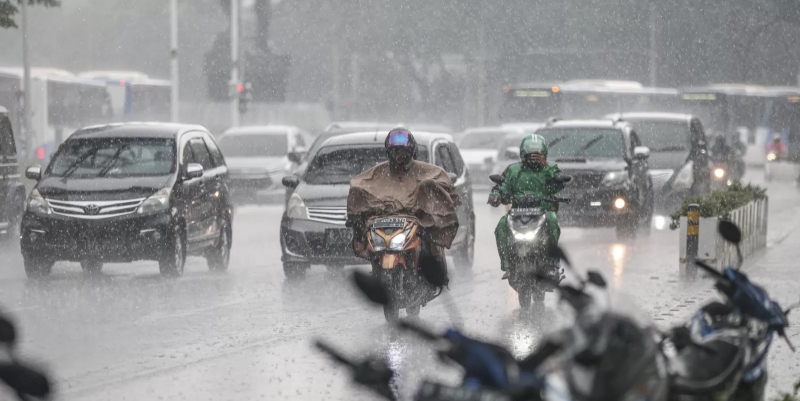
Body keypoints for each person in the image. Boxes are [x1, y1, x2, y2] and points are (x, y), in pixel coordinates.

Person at [347, 128, 460, 286]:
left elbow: (444, 186)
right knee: (366, 237)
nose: (399, 154)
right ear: (389, 152)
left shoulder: (427, 171)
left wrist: (427, 207)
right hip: (383, 223)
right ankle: (377, 269)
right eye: (395, 150)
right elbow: (359, 185)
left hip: (417, 223)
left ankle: (430, 276)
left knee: (429, 245)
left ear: (411, 151)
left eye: (403, 150)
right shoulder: (378, 173)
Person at [489, 134, 567, 280]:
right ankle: (506, 264)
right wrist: (496, 195)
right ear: (522, 154)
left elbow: (559, 183)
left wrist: (546, 167)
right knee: (501, 225)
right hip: (517, 212)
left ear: (544, 154)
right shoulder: (512, 170)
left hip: (543, 212)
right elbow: (502, 186)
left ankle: (551, 262)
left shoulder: (550, 169)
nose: (533, 158)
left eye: (537, 155)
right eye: (530, 155)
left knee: (552, 220)